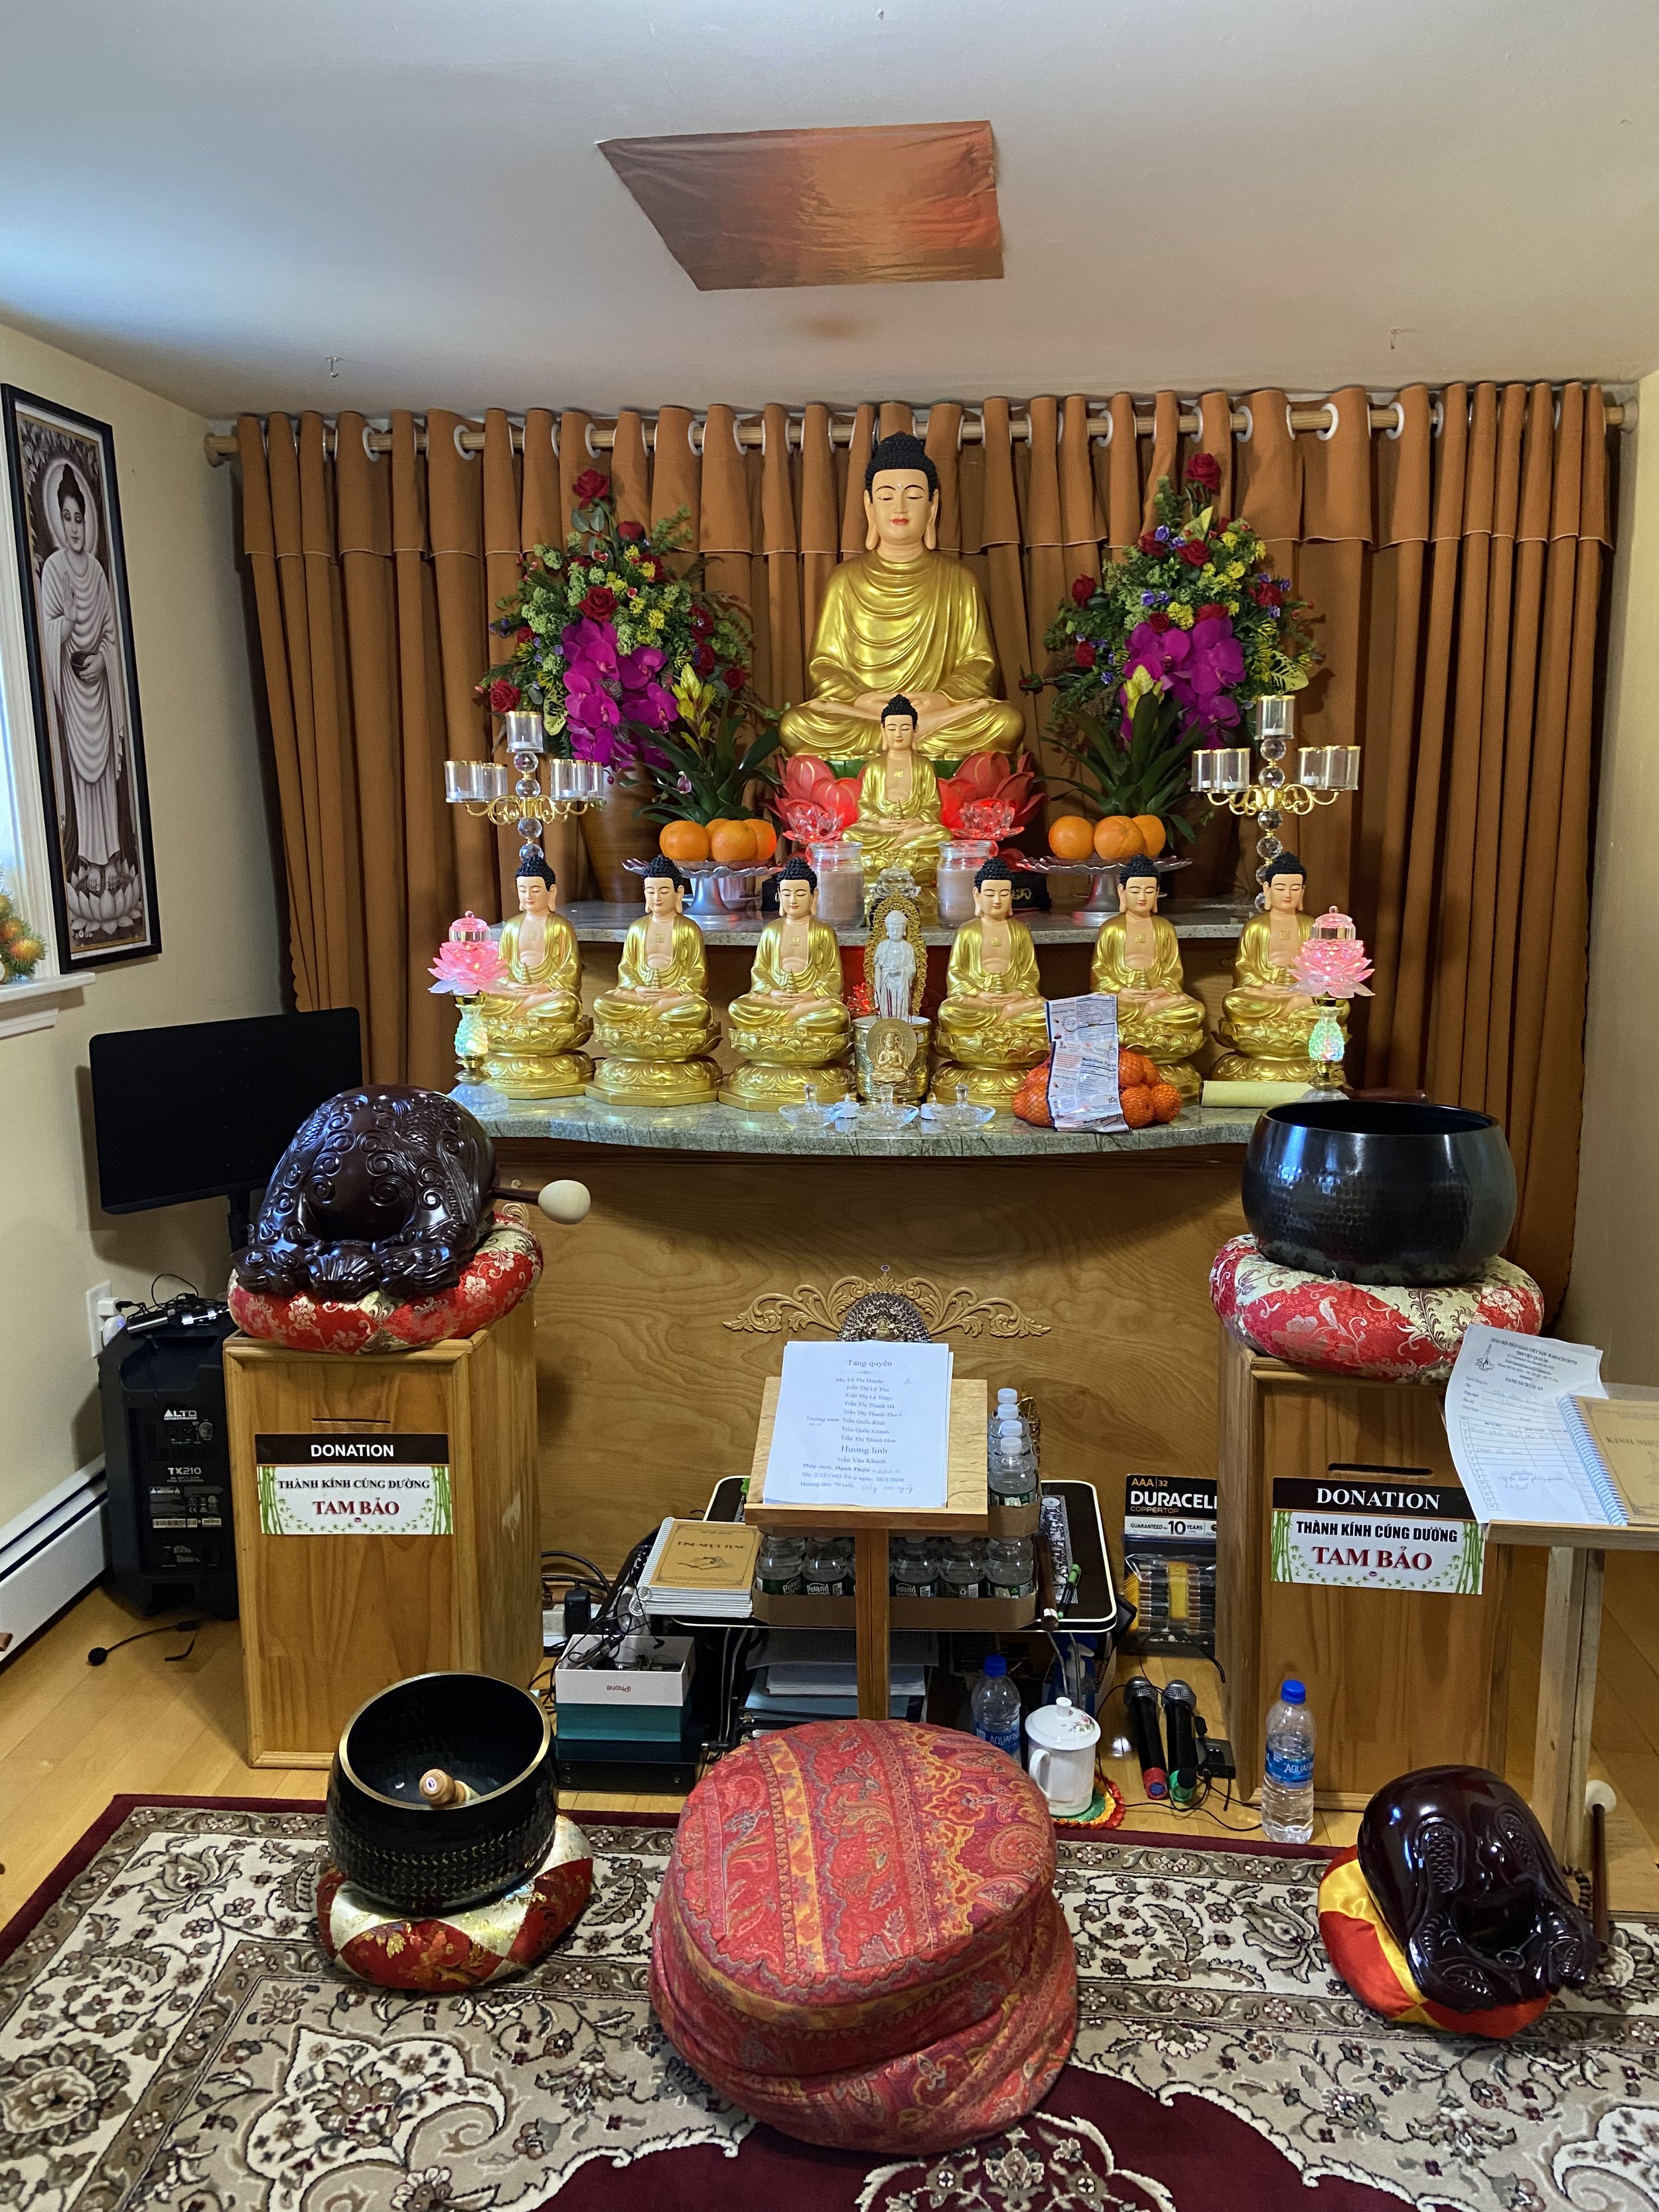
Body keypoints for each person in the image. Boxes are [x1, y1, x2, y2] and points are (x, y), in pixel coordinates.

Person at [778, 433, 1025, 762]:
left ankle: (902, 739)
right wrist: (861, 700)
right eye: (886, 496)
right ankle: (906, 740)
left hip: (934, 716)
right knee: (796, 725)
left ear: (932, 505)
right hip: (868, 716)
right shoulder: (843, 580)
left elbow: (980, 665)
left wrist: (941, 699)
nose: (900, 507)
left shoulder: (959, 579)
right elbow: (824, 667)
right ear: (869, 506)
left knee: (1006, 721)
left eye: (913, 496)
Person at [39, 465, 126, 887]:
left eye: (79, 519)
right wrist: (70, 622)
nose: (74, 528)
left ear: (87, 521)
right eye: (67, 518)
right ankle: (91, 861)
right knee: (82, 775)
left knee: (105, 774)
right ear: (58, 520)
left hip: (99, 687)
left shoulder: (97, 571)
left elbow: (111, 634)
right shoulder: (54, 570)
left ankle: (112, 855)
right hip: (73, 691)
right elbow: (47, 632)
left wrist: (104, 662)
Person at [1089, 857, 1206, 1099]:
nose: (1142, 897)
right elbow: (1100, 974)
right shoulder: (1112, 929)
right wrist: (1122, 991)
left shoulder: (1164, 928)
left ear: (1157, 893)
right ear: (1122, 892)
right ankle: (1145, 1016)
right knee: (1095, 1010)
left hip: (1158, 1000)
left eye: (1149, 890)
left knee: (1193, 1010)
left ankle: (1147, 1015)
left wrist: (1161, 991)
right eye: (1135, 891)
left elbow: (1174, 972)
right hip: (1123, 1001)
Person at [845, 694, 950, 880]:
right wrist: (880, 822)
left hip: (914, 829)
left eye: (905, 728)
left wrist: (916, 821)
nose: (898, 734)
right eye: (892, 728)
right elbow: (865, 804)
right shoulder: (875, 766)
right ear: (883, 730)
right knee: (850, 836)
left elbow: (933, 804)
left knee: (942, 835)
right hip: (882, 829)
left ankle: (891, 850)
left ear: (915, 730)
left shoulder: (924, 765)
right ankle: (901, 846)